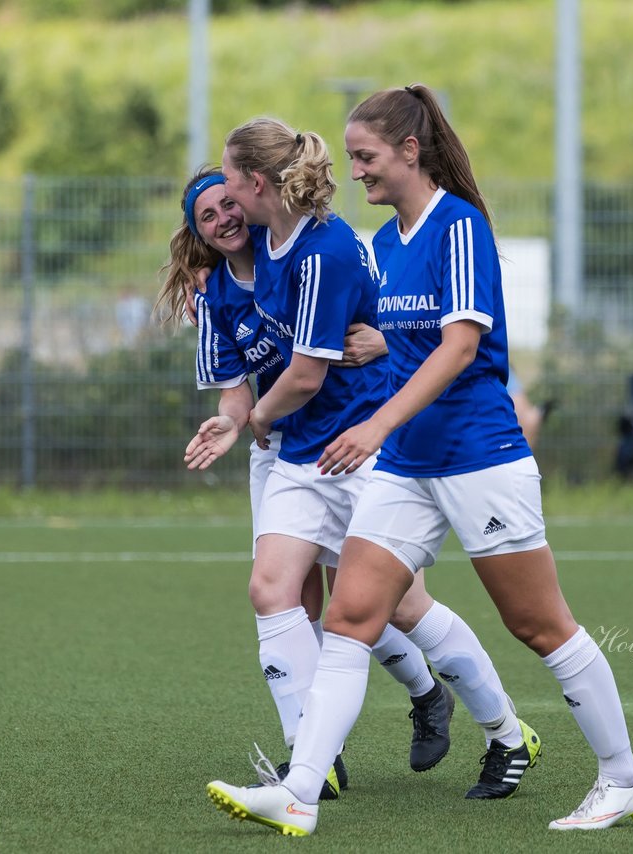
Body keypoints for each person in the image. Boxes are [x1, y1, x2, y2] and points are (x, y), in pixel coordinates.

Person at [206, 85, 633, 835]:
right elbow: (401, 338)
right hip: (406, 466)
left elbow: (461, 345)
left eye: (367, 157)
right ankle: (300, 791)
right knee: (350, 617)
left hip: (478, 457)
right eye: (351, 158)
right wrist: (379, 347)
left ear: (410, 151)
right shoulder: (383, 244)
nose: (356, 172)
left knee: (539, 626)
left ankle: (622, 777)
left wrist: (375, 423)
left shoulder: (460, 225)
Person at [200, 122, 541, 800]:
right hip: (301, 453)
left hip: (356, 451)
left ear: (257, 183)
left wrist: (252, 423)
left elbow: (304, 375)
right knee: (270, 589)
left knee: (404, 609)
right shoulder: (262, 246)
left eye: (229, 183)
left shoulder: (325, 250)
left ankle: (506, 730)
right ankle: (310, 764)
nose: (225, 199)